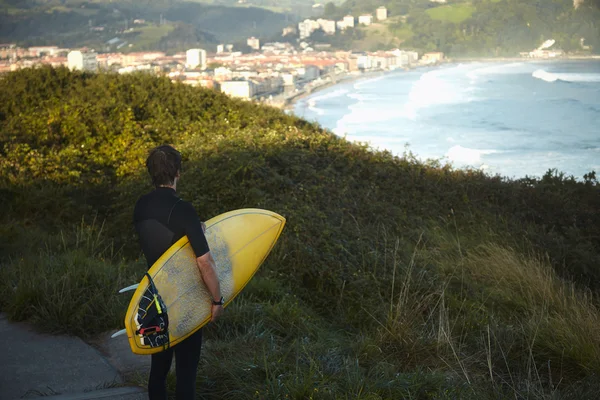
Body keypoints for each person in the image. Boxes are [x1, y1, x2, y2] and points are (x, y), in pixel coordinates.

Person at [133, 145, 224, 400]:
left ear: (151, 174)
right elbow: (205, 262)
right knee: (186, 374)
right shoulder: (183, 209)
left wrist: (195, 229)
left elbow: (162, 239)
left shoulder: (140, 206)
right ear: (178, 173)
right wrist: (217, 300)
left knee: (158, 372)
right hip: (185, 301)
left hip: (155, 298)